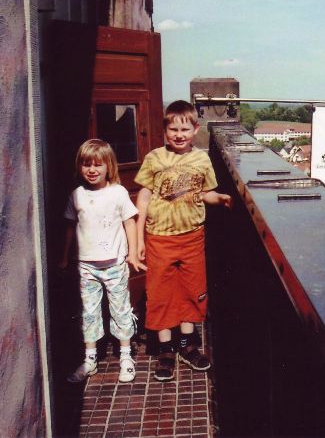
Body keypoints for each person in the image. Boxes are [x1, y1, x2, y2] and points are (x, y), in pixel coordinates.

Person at [135, 100, 232, 381]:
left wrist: (220, 198)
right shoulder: (154, 158)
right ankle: (166, 349)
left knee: (192, 291)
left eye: (185, 129)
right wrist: (139, 237)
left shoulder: (201, 160)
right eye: (173, 129)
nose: (179, 135)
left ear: (195, 130)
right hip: (159, 238)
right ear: (165, 130)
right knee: (161, 293)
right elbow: (143, 197)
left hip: (192, 237)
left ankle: (187, 346)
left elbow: (205, 193)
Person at [61, 139, 146, 383]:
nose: (92, 170)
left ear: (109, 166)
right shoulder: (77, 195)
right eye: (86, 164)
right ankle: (90, 359)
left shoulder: (118, 193)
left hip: (114, 264)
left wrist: (132, 253)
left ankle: (126, 356)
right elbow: (70, 227)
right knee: (89, 312)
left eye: (98, 165)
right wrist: (64, 257)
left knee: (121, 309)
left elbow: (130, 223)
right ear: (79, 166)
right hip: (86, 266)